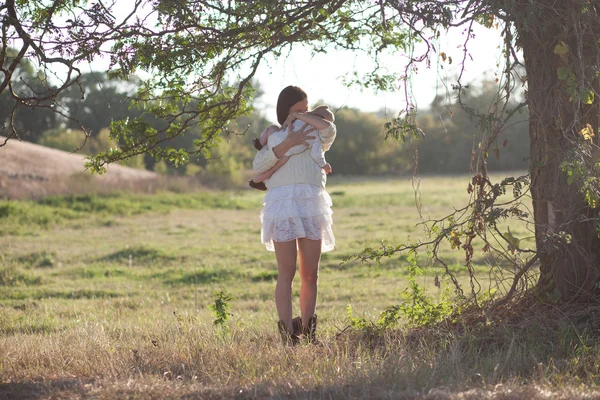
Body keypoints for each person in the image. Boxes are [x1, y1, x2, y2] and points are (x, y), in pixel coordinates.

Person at [252, 85, 336, 345]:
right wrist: (289, 140)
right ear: (284, 111)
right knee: (286, 273)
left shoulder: (316, 132)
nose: (305, 113)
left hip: (311, 203)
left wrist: (300, 118)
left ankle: (309, 332)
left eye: (307, 109)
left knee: (310, 273)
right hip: (282, 206)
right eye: (298, 109)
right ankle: (289, 335)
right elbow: (259, 166)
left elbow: (329, 128)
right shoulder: (275, 137)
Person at [250, 105, 334, 190]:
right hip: (287, 154)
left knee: (271, 128)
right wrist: (324, 165)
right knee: (273, 170)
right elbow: (316, 154)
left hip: (275, 139)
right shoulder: (316, 134)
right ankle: (255, 182)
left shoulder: (300, 119)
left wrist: (296, 115)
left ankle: (260, 142)